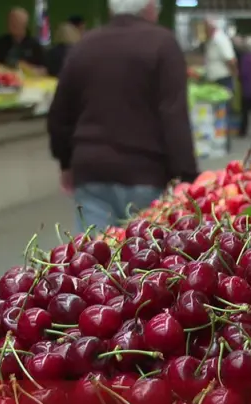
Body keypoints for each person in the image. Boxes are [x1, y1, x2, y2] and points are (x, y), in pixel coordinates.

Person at [48, 0, 199, 232]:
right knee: (145, 250)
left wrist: (66, 163)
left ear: (111, 9)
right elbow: (173, 115)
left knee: (94, 252)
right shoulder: (163, 44)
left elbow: (60, 114)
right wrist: (187, 177)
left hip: (92, 172)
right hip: (147, 174)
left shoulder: (84, 45)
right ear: (150, 8)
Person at [0, 7, 46, 73]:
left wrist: (27, 67)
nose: (12, 24)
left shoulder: (35, 46)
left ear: (25, 24)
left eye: (16, 22)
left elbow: (44, 70)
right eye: (10, 21)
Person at [204, 19, 238, 91]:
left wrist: (235, 74)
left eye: (205, 27)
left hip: (223, 80)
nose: (204, 30)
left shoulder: (221, 39)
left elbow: (231, 60)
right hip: (215, 80)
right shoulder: (211, 39)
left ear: (211, 28)